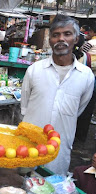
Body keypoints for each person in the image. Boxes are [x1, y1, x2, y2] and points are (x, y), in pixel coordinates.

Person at [21, 15, 95, 175]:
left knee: (53, 190)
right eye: (55, 35)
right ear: (50, 40)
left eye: (67, 34)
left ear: (76, 38)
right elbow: (25, 107)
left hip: (60, 152)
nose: (61, 39)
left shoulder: (86, 75)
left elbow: (79, 110)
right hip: (28, 148)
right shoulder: (34, 70)